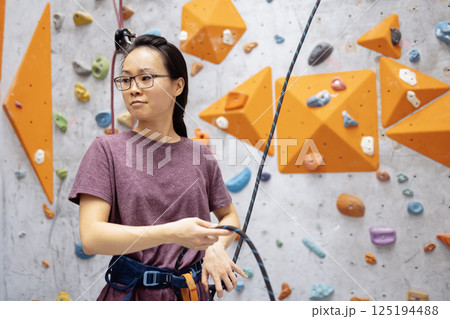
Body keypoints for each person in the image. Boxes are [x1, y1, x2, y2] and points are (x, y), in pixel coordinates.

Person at [69, 34, 246, 301]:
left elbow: (230, 217)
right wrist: (173, 233)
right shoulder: (106, 150)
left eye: (145, 78)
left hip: (192, 297)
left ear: (177, 85)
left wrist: (216, 247)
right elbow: (92, 237)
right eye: (126, 79)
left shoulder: (200, 154)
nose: (133, 88)